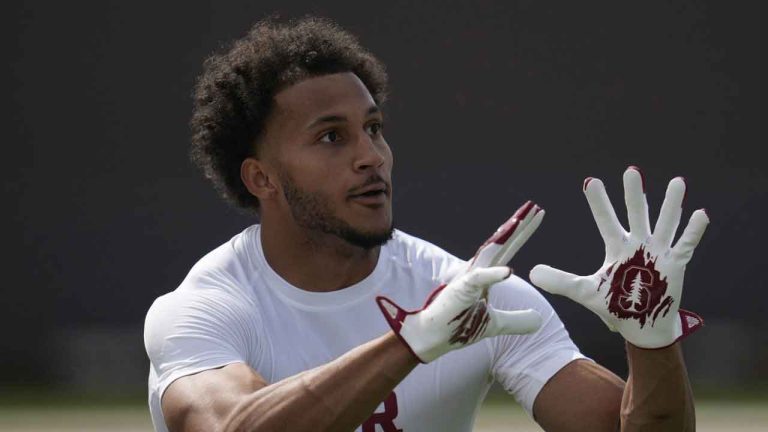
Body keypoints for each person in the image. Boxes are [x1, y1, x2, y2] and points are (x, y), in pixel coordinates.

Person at [144, 16, 709, 432]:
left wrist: (651, 341)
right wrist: (409, 342)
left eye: (374, 128)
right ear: (261, 178)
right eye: (331, 137)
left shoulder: (477, 297)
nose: (372, 156)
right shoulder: (203, 308)